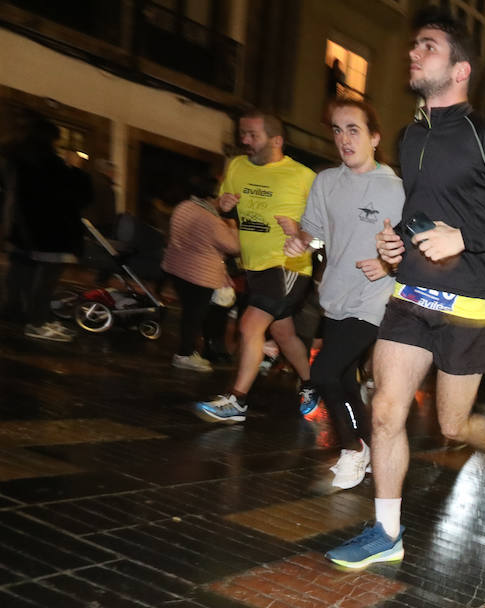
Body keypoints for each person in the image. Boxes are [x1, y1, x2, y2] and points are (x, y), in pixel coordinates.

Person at [325, 6, 485, 569]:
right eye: (415, 46)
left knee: (452, 426)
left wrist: (464, 237)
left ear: (460, 69)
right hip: (413, 297)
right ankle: (387, 532)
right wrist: (396, 243)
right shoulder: (409, 137)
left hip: (470, 306)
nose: (414, 53)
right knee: (386, 412)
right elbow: (423, 215)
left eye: (428, 47)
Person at [279, 98, 404, 490]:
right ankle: (370, 449)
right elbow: (314, 233)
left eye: (354, 129)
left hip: (374, 300)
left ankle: (351, 451)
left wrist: (387, 265)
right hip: (334, 295)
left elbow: (415, 253)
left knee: (323, 372)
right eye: (337, 129)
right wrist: (299, 241)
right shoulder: (326, 182)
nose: (344, 139)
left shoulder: (397, 190)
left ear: (374, 137)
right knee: (345, 380)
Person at [196, 110, 317, 423]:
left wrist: (300, 230)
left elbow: (325, 224)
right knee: (283, 332)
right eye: (243, 134)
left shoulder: (303, 176)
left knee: (250, 324)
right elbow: (224, 202)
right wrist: (223, 206)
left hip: (289, 265)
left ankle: (237, 401)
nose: (245, 141)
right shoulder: (236, 166)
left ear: (276, 140)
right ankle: (310, 383)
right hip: (254, 267)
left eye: (252, 135)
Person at [0, 114, 91, 341]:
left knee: (25, 275)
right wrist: (75, 168)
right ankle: (37, 322)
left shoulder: (18, 159)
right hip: (52, 232)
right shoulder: (47, 163)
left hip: (28, 231)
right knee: (46, 281)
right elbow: (75, 194)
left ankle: (22, 315)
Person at [162, 173, 241, 372]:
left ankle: (186, 351)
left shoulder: (183, 207)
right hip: (200, 274)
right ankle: (185, 355)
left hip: (177, 267)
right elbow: (233, 246)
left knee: (188, 313)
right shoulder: (210, 220)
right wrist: (232, 224)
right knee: (194, 316)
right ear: (212, 196)